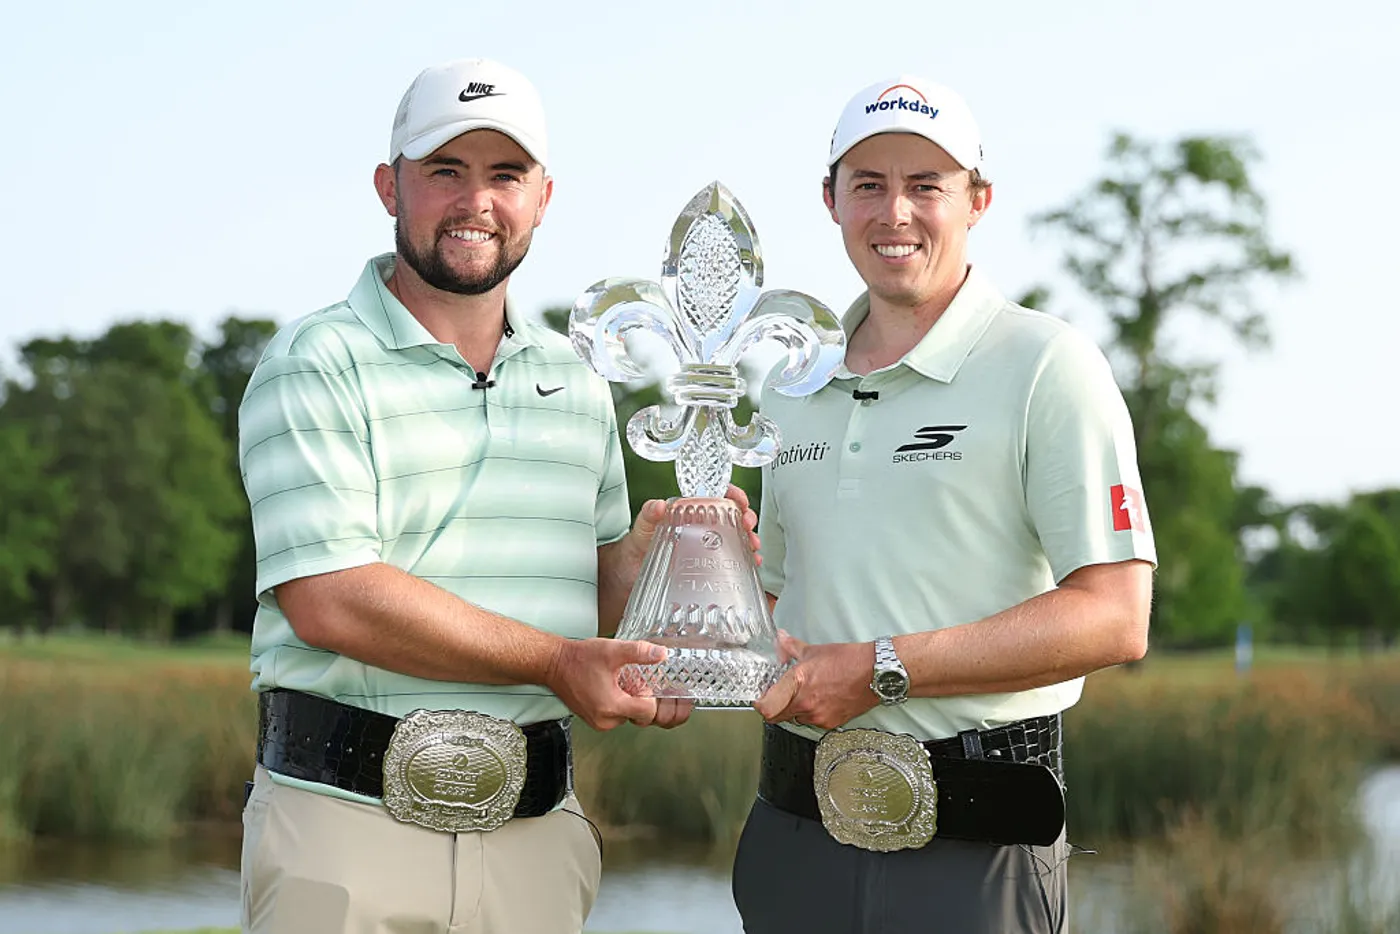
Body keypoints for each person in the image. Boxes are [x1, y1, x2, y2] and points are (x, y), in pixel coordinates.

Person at [237, 57, 752, 934]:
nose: (476, 201)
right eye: (446, 171)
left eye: (505, 175)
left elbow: (587, 606)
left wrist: (656, 567)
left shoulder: (576, 379)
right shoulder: (315, 362)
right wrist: (556, 664)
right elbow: (329, 598)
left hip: (535, 843)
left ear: (542, 197)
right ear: (389, 186)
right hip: (347, 831)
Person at [732, 75, 1157, 933]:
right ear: (831, 200)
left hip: (978, 844)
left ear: (977, 200)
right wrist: (717, 587)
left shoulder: (1048, 365)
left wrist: (883, 667)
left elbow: (1115, 618)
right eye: (869, 185)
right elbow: (779, 599)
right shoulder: (791, 382)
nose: (895, 213)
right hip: (794, 833)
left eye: (926, 185)